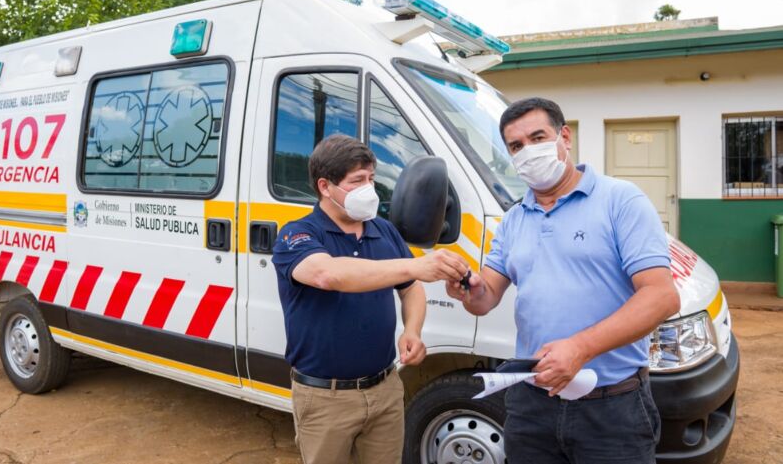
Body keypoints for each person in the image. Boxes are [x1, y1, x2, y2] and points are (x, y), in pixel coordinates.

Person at [446, 98, 680, 463]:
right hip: (531, 404)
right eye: (516, 146)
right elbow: (486, 297)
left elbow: (662, 296)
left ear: (564, 137)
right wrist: (469, 289)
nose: (528, 152)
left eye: (537, 137)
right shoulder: (513, 220)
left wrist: (580, 348)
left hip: (611, 406)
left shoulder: (621, 201)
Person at [272, 135, 468, 464]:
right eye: (357, 181)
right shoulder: (298, 234)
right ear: (325, 186)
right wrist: (416, 265)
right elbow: (328, 275)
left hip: (385, 389)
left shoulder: (383, 231)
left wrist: (412, 330)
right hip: (325, 398)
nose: (369, 189)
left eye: (372, 179)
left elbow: (410, 288)